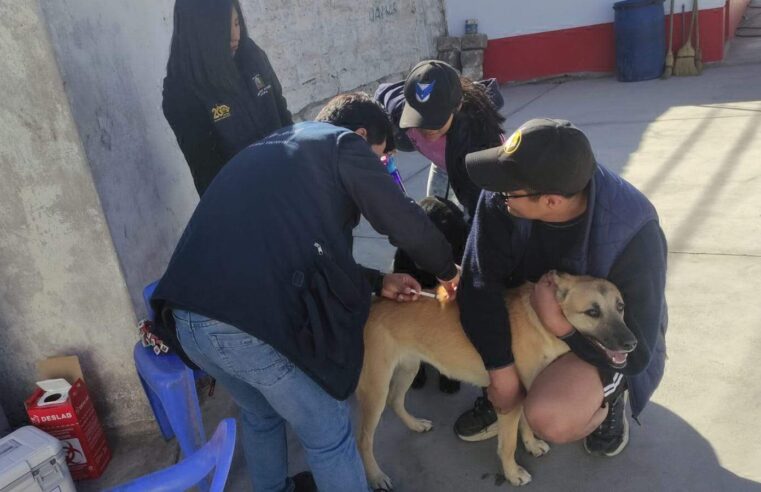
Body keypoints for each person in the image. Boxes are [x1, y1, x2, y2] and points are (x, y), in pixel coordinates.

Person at [150, 92, 460, 492]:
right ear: (361, 134)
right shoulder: (343, 144)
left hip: (186, 320)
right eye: (381, 158)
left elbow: (306, 253)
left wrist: (375, 282)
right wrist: (448, 270)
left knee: (261, 416)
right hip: (243, 329)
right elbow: (400, 216)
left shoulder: (281, 147)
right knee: (329, 434)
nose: (382, 167)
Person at [454, 118, 668, 458]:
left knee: (550, 417)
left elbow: (636, 352)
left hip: (596, 332)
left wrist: (562, 328)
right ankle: (510, 386)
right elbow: (478, 284)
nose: (497, 193)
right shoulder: (504, 200)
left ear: (551, 201)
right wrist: (501, 373)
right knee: (495, 358)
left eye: (509, 188)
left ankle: (610, 395)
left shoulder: (634, 230)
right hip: (527, 314)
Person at [162, 0, 292, 196]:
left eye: (237, 23)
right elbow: (208, 173)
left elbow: (285, 119)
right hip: (246, 206)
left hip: (291, 182)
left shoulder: (251, 56)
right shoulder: (182, 93)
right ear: (200, 28)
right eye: (224, 25)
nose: (235, 35)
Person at [375, 60, 505, 219]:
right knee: (433, 217)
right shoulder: (397, 109)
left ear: (457, 106)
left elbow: (482, 209)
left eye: (435, 121)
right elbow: (382, 94)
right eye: (420, 119)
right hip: (442, 162)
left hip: (470, 171)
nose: (427, 129)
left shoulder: (477, 144)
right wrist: (385, 141)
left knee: (469, 220)